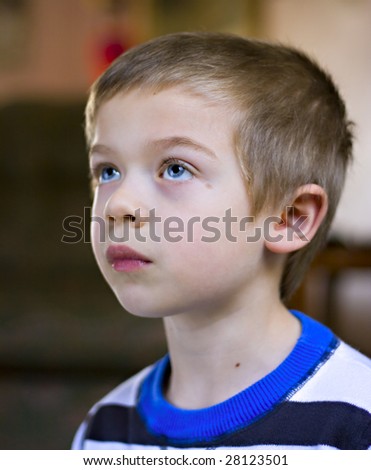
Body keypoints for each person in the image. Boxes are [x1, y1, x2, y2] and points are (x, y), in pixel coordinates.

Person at [72, 32, 371, 450]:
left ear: (289, 218)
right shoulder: (101, 431)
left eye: (175, 168)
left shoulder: (356, 423)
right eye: (107, 171)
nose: (118, 204)